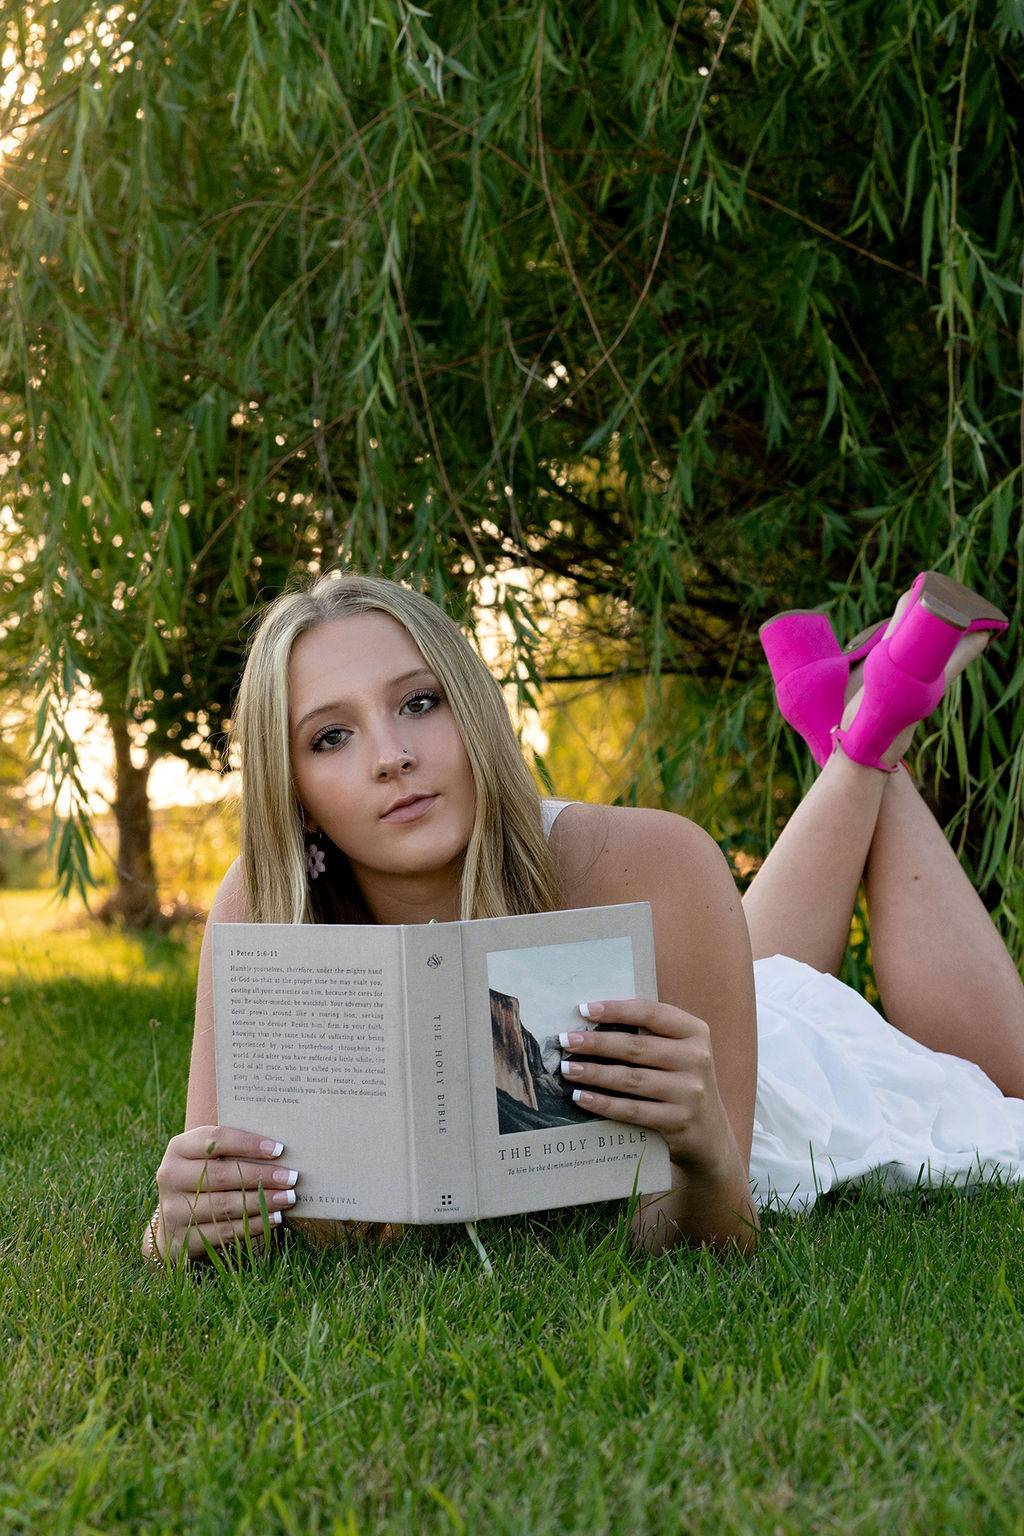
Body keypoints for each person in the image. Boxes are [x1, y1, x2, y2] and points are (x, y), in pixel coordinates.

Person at [145, 569, 1024, 1266]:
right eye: (328, 737)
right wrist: (174, 1228)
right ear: (292, 794)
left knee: (1002, 1092)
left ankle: (874, 732)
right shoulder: (265, 906)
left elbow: (715, 1235)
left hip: (784, 1086)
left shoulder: (649, 860)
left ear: (475, 711)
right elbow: (214, 1199)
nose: (392, 757)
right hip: (737, 991)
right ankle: (859, 722)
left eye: (420, 702)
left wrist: (708, 1152)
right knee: (773, 976)